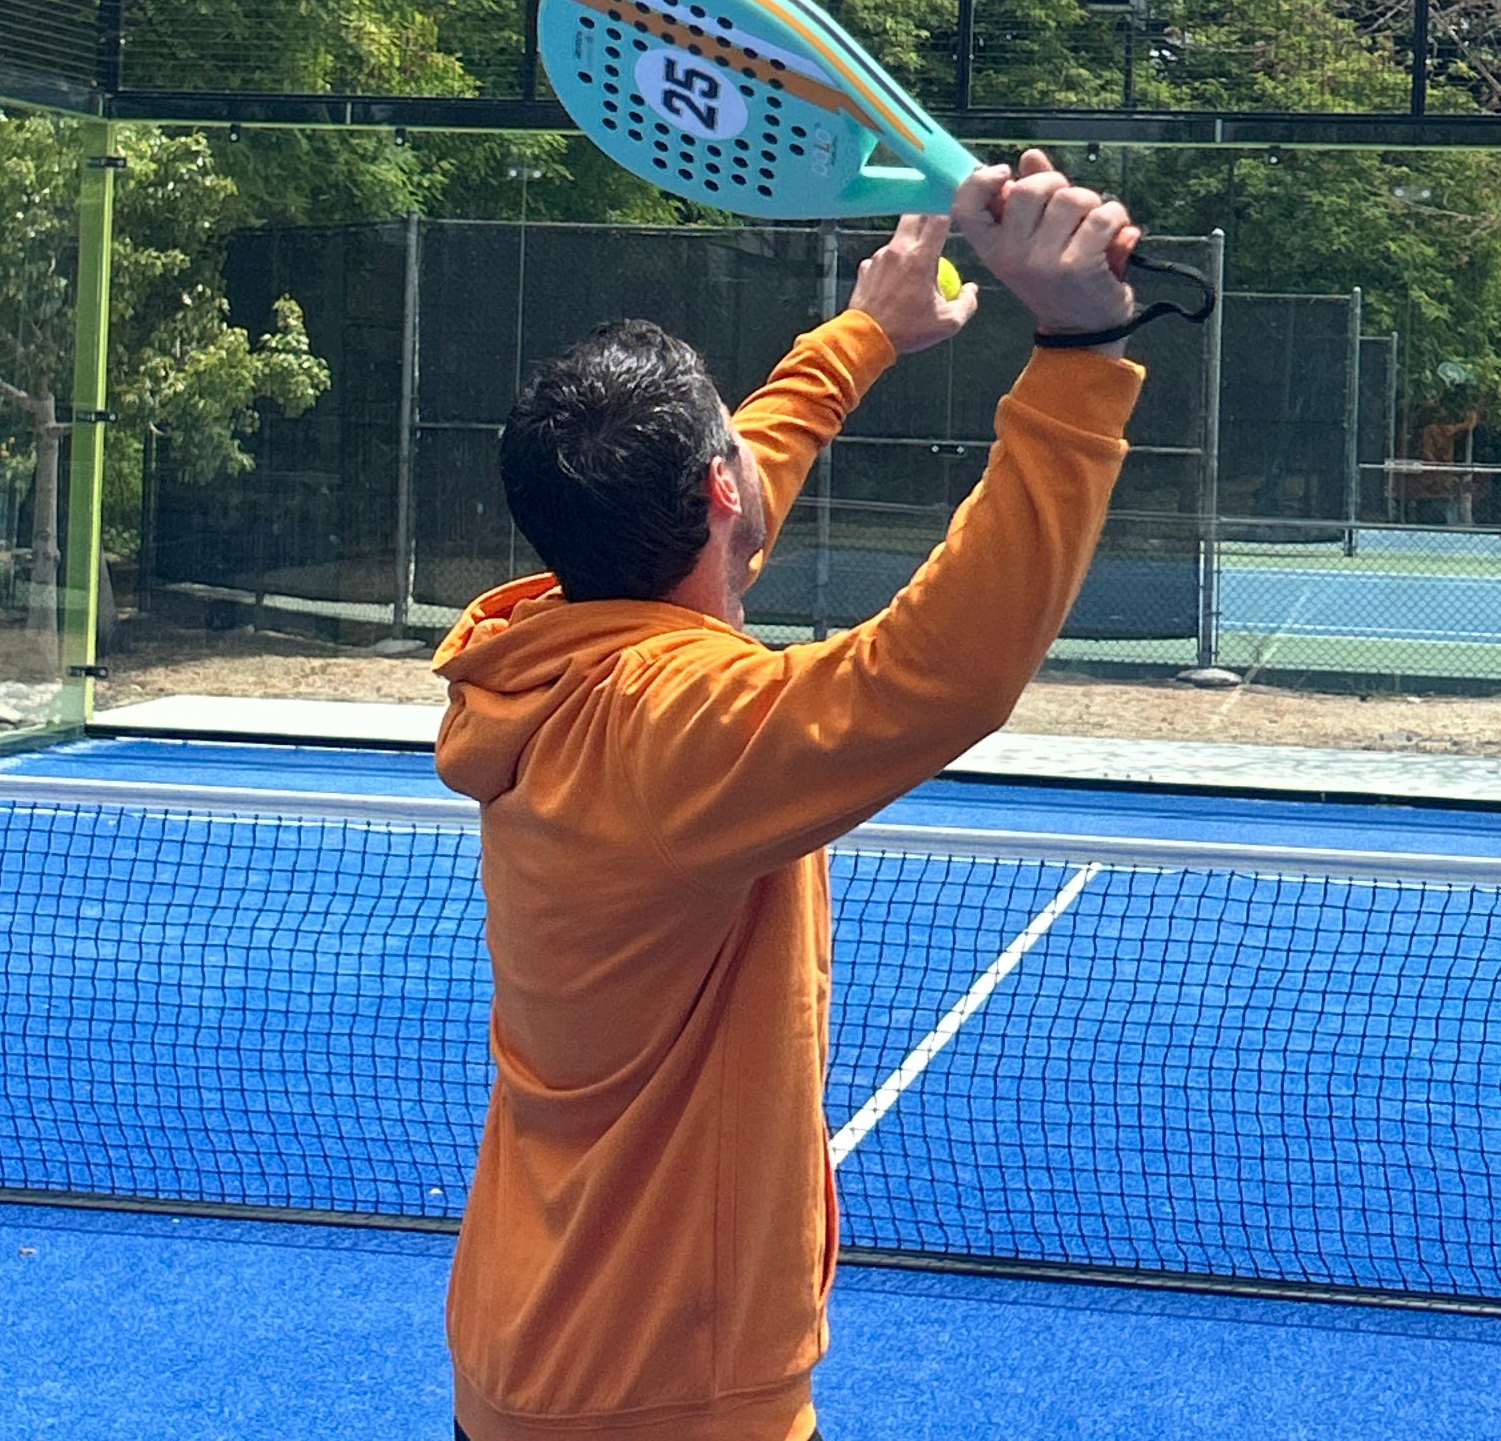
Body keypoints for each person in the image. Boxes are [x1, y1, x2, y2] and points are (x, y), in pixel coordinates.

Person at [433, 153, 1146, 1441]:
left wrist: (870, 329)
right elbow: (939, 674)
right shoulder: (670, 733)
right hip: (661, 1384)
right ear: (714, 498)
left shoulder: (558, 647)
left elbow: (729, 495)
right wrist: (1080, 353)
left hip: (538, 1338)